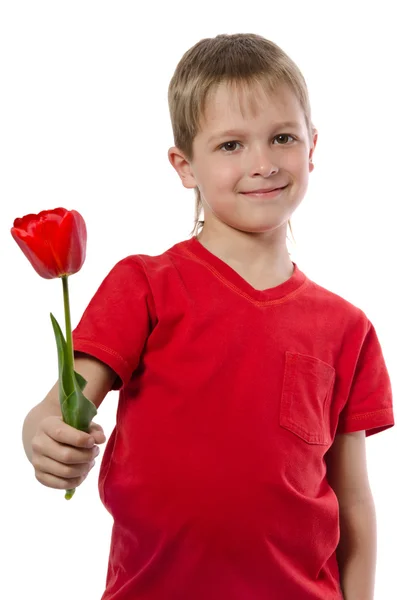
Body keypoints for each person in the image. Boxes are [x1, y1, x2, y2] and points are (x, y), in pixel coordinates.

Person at [22, 33, 394, 600]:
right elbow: (61, 404)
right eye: (231, 146)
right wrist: (41, 436)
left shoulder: (348, 327)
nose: (264, 164)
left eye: (283, 138)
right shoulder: (145, 285)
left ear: (312, 146)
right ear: (184, 164)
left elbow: (355, 504)